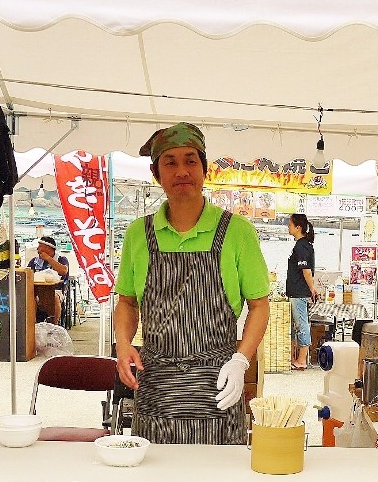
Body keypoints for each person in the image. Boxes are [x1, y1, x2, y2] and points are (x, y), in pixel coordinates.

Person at [114, 122, 270, 445]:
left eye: (190, 160)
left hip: (219, 388)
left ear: (204, 169)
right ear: (157, 174)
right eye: (170, 162)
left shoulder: (237, 232)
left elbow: (259, 305)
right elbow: (127, 301)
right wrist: (123, 343)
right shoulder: (137, 235)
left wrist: (241, 360)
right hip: (157, 393)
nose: (181, 170)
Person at [286, 213, 318, 370]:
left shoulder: (302, 246)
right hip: (296, 292)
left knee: (301, 325)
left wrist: (312, 288)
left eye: (290, 224)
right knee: (296, 326)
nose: (288, 227)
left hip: (299, 293)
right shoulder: (302, 245)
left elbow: (306, 270)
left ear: (298, 227)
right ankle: (294, 358)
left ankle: (302, 360)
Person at [27, 235, 69, 323]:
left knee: (54, 298)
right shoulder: (34, 261)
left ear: (48, 248)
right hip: (37, 290)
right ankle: (32, 324)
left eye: (40, 246)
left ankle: (55, 324)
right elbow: (28, 275)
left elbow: (64, 271)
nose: (37, 248)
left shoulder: (61, 259)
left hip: (56, 290)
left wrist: (49, 259)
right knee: (30, 298)